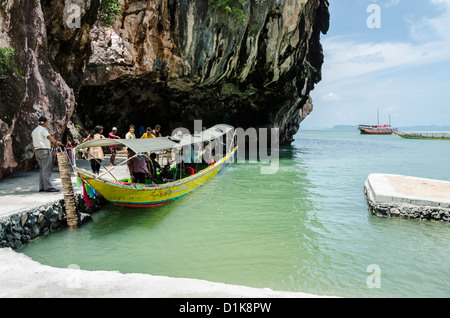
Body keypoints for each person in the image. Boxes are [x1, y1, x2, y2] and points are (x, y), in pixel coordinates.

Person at [31, 116, 64, 192]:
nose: (47, 124)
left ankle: (42, 187)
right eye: (46, 122)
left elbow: (33, 143)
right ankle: (48, 187)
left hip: (37, 151)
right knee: (46, 169)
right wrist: (56, 142)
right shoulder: (43, 129)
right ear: (44, 123)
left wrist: (35, 153)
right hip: (44, 151)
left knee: (42, 169)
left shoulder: (34, 131)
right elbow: (49, 137)